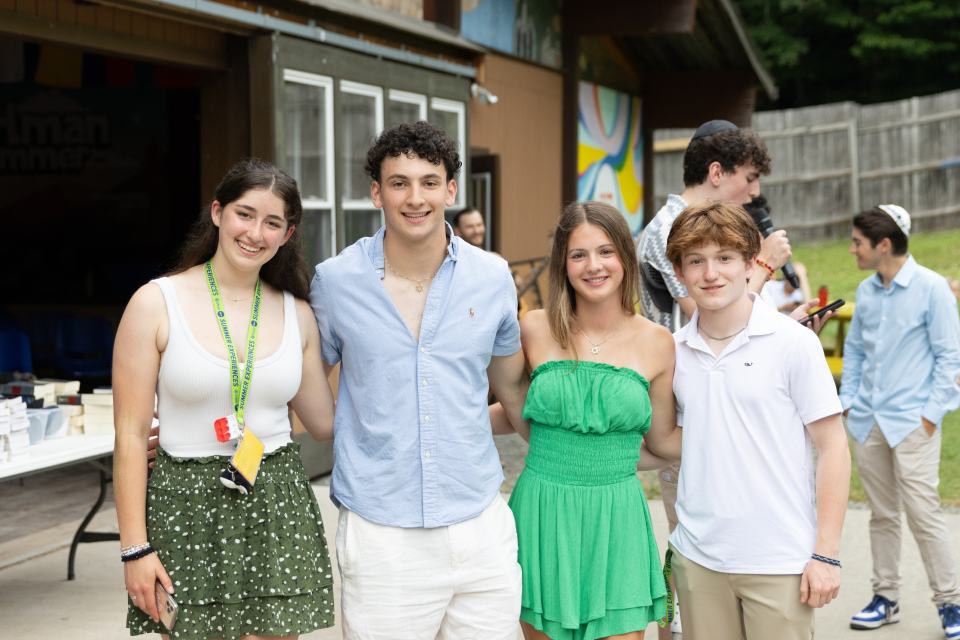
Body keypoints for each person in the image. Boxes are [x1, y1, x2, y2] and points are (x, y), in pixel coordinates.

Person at [308, 121, 529, 639]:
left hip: (480, 524)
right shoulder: (335, 282)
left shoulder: (492, 277)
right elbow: (294, 386)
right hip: (383, 531)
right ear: (376, 192)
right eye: (399, 182)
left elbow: (513, 392)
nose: (415, 197)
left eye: (429, 182)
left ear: (451, 190)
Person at [114, 159, 338, 639]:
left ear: (287, 233)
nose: (255, 232)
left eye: (273, 222)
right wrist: (134, 547)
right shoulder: (155, 303)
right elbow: (131, 437)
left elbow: (324, 422)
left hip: (276, 499)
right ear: (217, 213)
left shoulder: (298, 313)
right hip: (187, 506)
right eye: (245, 214)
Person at [493, 201, 681, 640]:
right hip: (542, 510)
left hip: (617, 515)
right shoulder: (534, 328)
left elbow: (665, 440)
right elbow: (517, 407)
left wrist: (741, 429)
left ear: (625, 259)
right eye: (578, 255)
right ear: (563, 263)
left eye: (606, 251)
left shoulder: (659, 343)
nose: (593, 266)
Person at [665, 200, 850, 640]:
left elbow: (833, 447)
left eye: (725, 258)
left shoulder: (793, 343)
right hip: (698, 560)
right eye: (697, 261)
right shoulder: (672, 351)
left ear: (751, 263)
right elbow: (669, 441)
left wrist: (826, 554)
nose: (711, 274)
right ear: (679, 272)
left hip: (779, 562)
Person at [634, 120, 792, 636]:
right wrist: (763, 266)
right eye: (749, 177)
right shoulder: (667, 231)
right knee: (695, 535)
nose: (756, 191)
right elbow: (710, 306)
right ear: (717, 171)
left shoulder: (699, 222)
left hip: (716, 388)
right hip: (685, 400)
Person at [840, 205, 960, 637]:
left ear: (883, 245)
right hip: (868, 422)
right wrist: (849, 401)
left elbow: (951, 358)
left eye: (858, 242)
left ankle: (951, 604)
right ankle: (885, 598)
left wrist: (930, 417)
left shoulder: (932, 289)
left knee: (924, 515)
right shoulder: (867, 291)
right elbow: (853, 351)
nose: (852, 249)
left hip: (914, 424)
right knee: (882, 516)